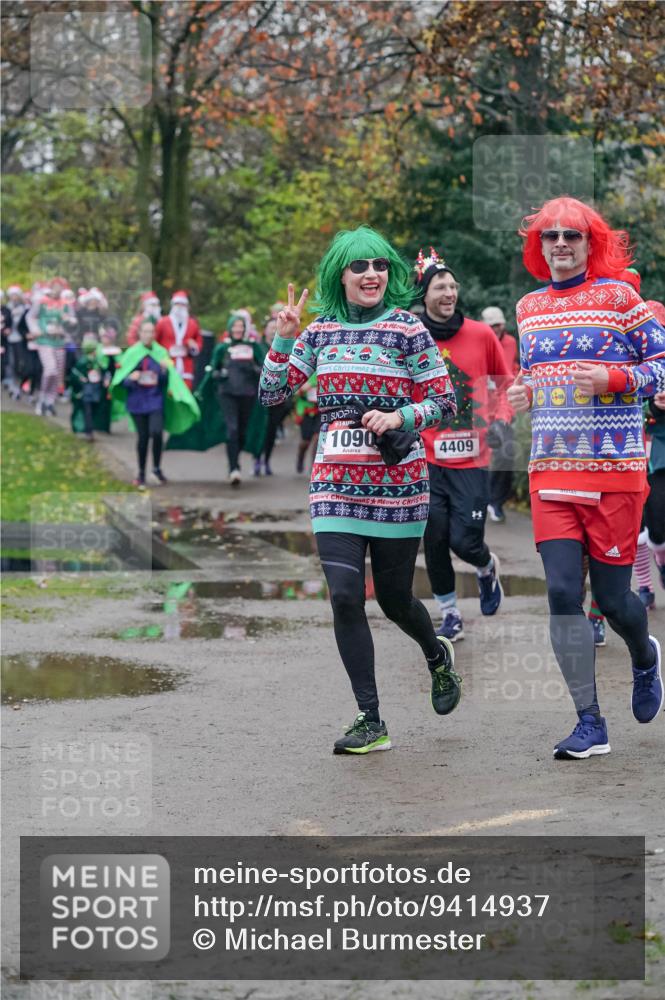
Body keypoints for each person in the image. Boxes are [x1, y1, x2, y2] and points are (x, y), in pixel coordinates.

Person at [259, 226, 461, 755]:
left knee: (395, 601)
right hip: (335, 487)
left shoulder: (407, 331)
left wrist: (400, 415)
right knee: (346, 597)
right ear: (339, 276)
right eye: (359, 267)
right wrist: (284, 336)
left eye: (380, 266)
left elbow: (444, 401)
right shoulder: (319, 331)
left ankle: (436, 655)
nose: (371, 274)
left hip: (399, 486)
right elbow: (271, 392)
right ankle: (370, 719)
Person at [508, 195, 665, 760]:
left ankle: (645, 655)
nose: (560, 244)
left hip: (615, 471)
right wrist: (521, 393)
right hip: (551, 469)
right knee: (560, 593)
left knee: (617, 601)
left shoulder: (621, 298)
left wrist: (613, 378)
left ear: (589, 242)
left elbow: (662, 366)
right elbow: (533, 375)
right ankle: (589, 722)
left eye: (571, 235)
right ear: (538, 245)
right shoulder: (528, 307)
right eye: (550, 236)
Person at [413, 249, 510, 642]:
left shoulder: (481, 334)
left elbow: (505, 384)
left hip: (472, 456)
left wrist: (502, 419)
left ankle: (486, 567)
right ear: (425, 294)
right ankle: (450, 613)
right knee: (434, 539)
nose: (449, 292)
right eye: (440, 286)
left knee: (465, 541)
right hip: (426, 456)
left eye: (453, 286)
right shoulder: (412, 336)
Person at [110, 319, 200, 489]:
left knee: (157, 432)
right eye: (145, 332)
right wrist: (131, 378)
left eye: (151, 332)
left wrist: (165, 371)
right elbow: (121, 380)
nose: (148, 335)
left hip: (155, 399)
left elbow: (167, 380)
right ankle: (141, 473)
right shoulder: (132, 353)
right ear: (140, 333)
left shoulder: (161, 352)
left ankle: (157, 468)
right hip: (137, 401)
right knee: (143, 437)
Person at [209, 313, 266, 485]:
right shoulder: (222, 348)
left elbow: (263, 367)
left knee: (241, 431)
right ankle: (234, 468)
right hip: (227, 394)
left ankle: (234, 459)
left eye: (241, 326)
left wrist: (255, 369)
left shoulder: (253, 346)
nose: (238, 329)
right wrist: (219, 374)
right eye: (235, 326)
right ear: (230, 328)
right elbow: (213, 369)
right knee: (232, 429)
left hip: (247, 394)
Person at [481, 306, 520, 522]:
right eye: (492, 325)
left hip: (503, 406)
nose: (496, 329)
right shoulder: (479, 340)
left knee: (506, 454)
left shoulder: (510, 342)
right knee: (480, 457)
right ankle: (482, 499)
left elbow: (506, 375)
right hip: (481, 406)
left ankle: (496, 502)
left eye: (499, 325)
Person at [29, 277, 73, 416]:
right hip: (44, 341)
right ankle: (42, 399)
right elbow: (30, 317)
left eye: (60, 287)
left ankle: (50, 402)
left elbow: (72, 322)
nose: (57, 289)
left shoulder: (66, 304)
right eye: (55, 286)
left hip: (59, 342)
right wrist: (35, 329)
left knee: (58, 374)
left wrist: (65, 328)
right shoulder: (41, 302)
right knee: (50, 370)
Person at [259, 317, 291, 474]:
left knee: (271, 430)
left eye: (275, 328)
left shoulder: (286, 346)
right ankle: (257, 459)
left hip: (279, 398)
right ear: (264, 330)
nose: (272, 330)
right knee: (260, 430)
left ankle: (267, 461)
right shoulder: (258, 347)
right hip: (260, 398)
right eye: (270, 327)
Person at [155, 290, 202, 389]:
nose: (180, 307)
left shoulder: (192, 324)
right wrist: (159, 358)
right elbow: (155, 342)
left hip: (186, 366)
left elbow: (198, 343)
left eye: (183, 304)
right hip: (167, 362)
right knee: (168, 392)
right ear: (172, 305)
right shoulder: (163, 322)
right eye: (177, 304)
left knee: (185, 394)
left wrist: (193, 346)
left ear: (187, 306)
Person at [293, 373, 320, 474]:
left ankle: (314, 467)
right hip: (305, 409)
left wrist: (313, 383)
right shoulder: (303, 371)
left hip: (320, 409)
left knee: (318, 437)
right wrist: (302, 389)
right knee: (305, 441)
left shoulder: (325, 367)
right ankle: (301, 456)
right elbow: (292, 391)